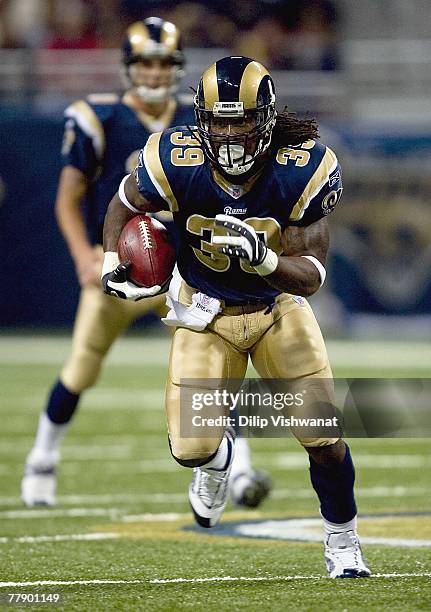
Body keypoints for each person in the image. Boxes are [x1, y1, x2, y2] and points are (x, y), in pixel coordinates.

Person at [101, 55, 371, 579]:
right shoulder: (173, 159)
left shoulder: (304, 166)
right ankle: (218, 459)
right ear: (201, 119)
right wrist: (117, 262)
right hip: (205, 311)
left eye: (240, 120)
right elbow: (121, 202)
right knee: (190, 449)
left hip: (276, 310)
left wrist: (265, 259)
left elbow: (312, 274)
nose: (228, 134)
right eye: (219, 121)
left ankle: (342, 539)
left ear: (265, 119)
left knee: (323, 435)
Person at [21, 20, 270, 510]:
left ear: (176, 69)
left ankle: (236, 469)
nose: (155, 73)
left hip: (184, 273)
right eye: (145, 63)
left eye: (163, 63)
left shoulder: (202, 121)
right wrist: (86, 257)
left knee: (213, 368)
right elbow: (67, 199)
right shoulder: (98, 117)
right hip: (120, 269)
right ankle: (42, 458)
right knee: (82, 369)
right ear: (129, 67)